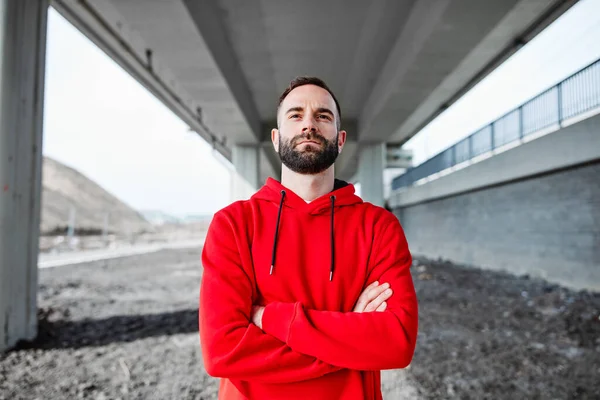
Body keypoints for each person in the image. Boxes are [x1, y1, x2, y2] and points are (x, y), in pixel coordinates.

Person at [199, 76, 418, 400]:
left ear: (341, 139)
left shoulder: (379, 227)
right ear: (276, 138)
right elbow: (222, 350)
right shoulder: (233, 224)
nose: (309, 125)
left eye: (323, 116)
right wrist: (349, 341)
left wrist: (269, 318)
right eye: (296, 115)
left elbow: (397, 342)